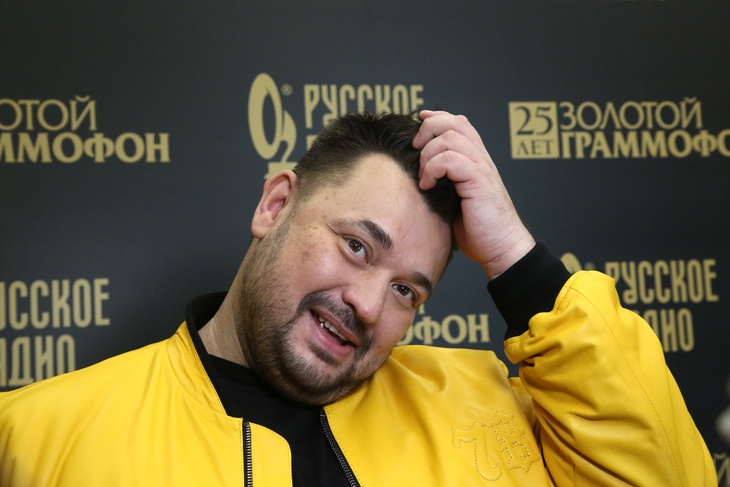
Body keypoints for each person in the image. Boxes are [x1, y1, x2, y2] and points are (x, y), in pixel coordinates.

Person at [0, 111, 716, 486]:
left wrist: (516, 259)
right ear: (275, 205)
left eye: (407, 289)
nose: (370, 306)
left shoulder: (489, 403)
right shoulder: (33, 437)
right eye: (357, 247)